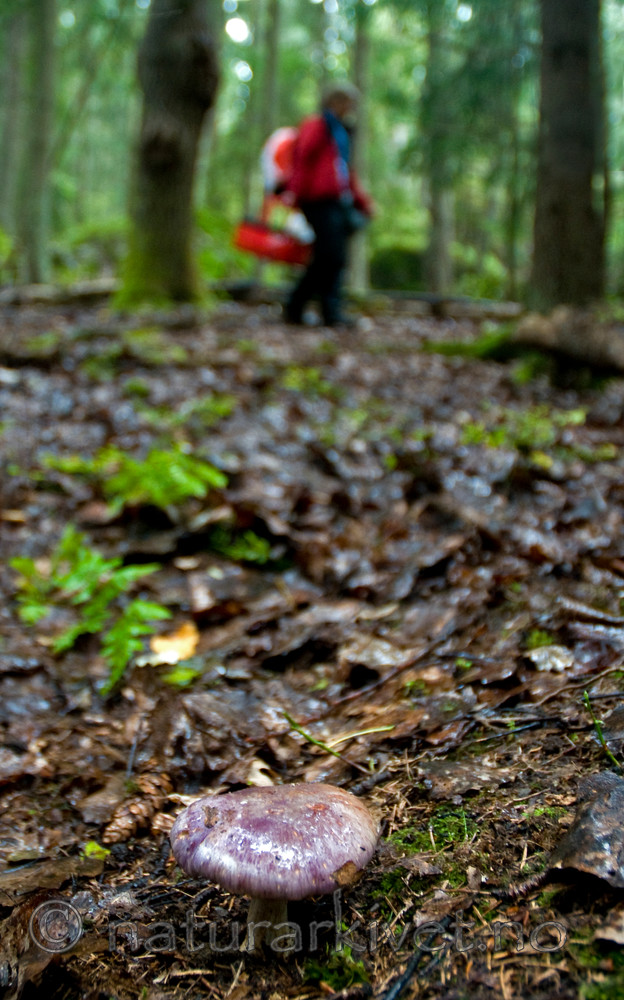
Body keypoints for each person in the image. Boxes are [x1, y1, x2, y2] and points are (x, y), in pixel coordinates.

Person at [283, 81, 373, 328]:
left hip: (337, 201)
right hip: (316, 200)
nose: (351, 108)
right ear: (335, 101)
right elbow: (302, 159)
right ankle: (321, 311)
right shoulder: (317, 125)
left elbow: (345, 171)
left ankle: (306, 308)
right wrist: (293, 194)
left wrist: (362, 201)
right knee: (331, 256)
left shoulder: (341, 132)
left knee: (329, 257)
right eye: (348, 103)